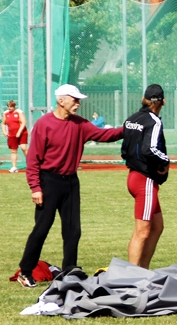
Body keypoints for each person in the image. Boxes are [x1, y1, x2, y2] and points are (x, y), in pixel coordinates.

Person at [17, 84, 124, 288]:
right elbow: (33, 159)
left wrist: (128, 129)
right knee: (42, 228)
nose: (78, 103)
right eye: (74, 99)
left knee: (73, 230)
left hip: (71, 182)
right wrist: (35, 187)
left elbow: (103, 135)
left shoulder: (79, 124)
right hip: (48, 181)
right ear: (61, 101)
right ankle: (26, 271)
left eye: (78, 99)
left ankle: (69, 270)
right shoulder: (44, 124)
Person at [120, 84, 169, 269]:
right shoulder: (154, 121)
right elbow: (151, 149)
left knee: (157, 227)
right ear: (162, 101)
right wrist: (166, 161)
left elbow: (124, 150)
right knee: (142, 231)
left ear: (144, 99)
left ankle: (143, 269)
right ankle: (134, 276)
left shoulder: (132, 118)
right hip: (145, 180)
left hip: (134, 176)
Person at [2, 100, 28, 173]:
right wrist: (4, 131)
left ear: (14, 106)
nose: (9, 108)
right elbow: (3, 123)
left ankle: (31, 165)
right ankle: (14, 167)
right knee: (13, 150)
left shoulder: (19, 112)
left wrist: (19, 132)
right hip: (12, 134)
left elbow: (23, 123)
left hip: (22, 133)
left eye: (11, 106)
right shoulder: (6, 114)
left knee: (24, 148)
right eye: (8, 106)